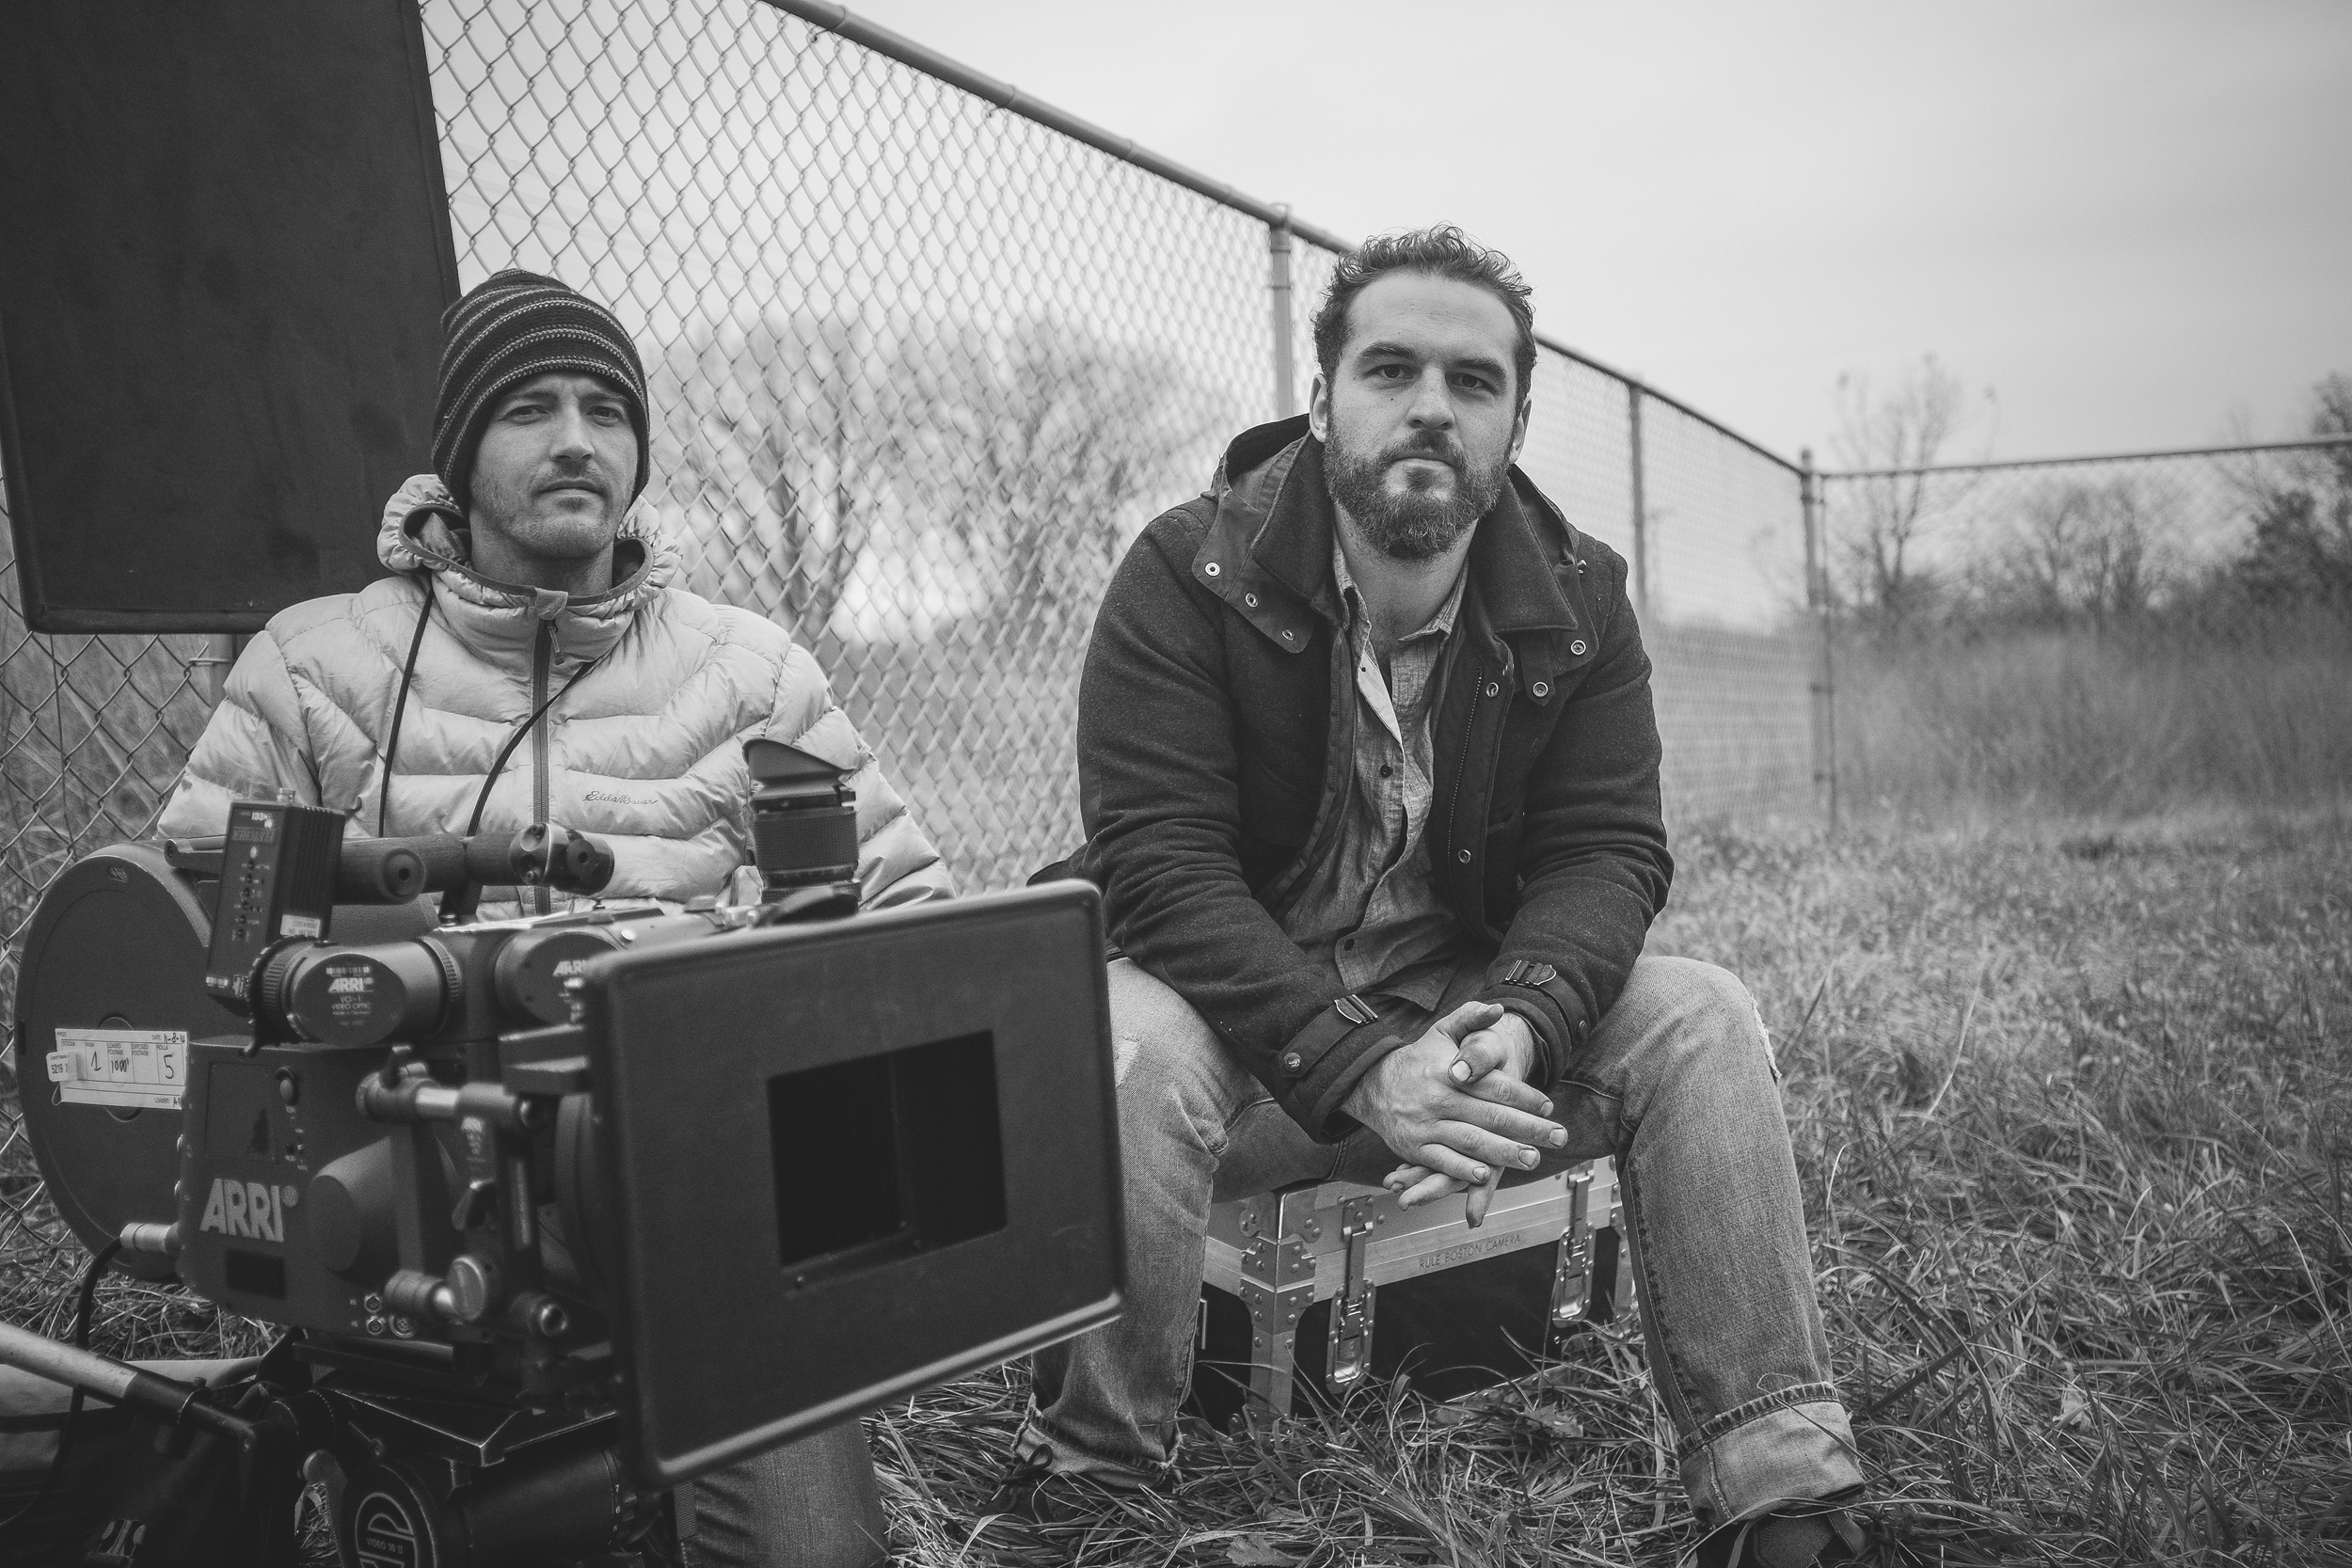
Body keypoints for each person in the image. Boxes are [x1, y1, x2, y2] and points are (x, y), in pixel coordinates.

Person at [1007, 228, 1866, 1568]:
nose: (1429, 406)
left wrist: (1526, 1013)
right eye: (1389, 367)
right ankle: (1096, 1493)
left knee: (1701, 1015)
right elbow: (1160, 871)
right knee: (1125, 1038)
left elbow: (1606, 852)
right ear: (1321, 399)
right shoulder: (1188, 574)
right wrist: (1360, 1065)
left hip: (1463, 1036)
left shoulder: (1579, 601)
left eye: (1472, 381)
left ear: (1517, 417)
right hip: (1239, 1049)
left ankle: (1786, 1502)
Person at [159, 269, 939, 1568]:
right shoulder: (312, 663)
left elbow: (912, 924)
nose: (578, 438)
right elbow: (194, 929)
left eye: (606, 410)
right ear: (459, 456)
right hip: (390, 1229)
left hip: (700, 1219)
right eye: (530, 408)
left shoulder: (750, 668)